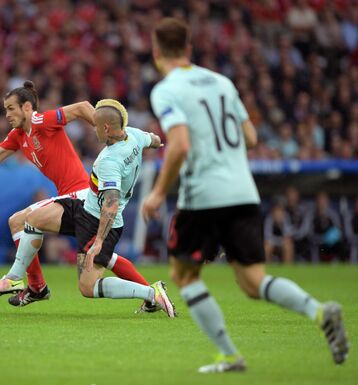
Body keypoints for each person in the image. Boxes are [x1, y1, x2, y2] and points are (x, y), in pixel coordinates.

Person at [141, 18, 348, 372]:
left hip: (204, 193)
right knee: (253, 281)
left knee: (185, 276)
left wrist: (158, 192)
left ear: (157, 52)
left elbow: (180, 145)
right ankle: (318, 310)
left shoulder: (166, 89)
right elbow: (250, 138)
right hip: (243, 190)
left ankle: (229, 355)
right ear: (189, 50)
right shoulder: (222, 82)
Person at [0, 81, 157, 311]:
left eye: (11, 108)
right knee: (105, 257)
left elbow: (82, 106)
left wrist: (106, 128)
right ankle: (152, 295)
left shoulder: (40, 121)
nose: (7, 114)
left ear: (26, 107)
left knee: (19, 220)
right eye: (5, 109)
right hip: (72, 199)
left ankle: (31, 284)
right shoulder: (17, 136)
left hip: (81, 195)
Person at [0, 99, 175, 317]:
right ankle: (15, 278)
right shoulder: (135, 135)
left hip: (98, 222)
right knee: (32, 219)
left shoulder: (109, 160)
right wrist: (159, 142)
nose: (93, 131)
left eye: (95, 126)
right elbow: (154, 139)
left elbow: (111, 202)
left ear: (106, 128)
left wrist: (99, 241)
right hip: (82, 207)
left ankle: (151, 292)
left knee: (88, 287)